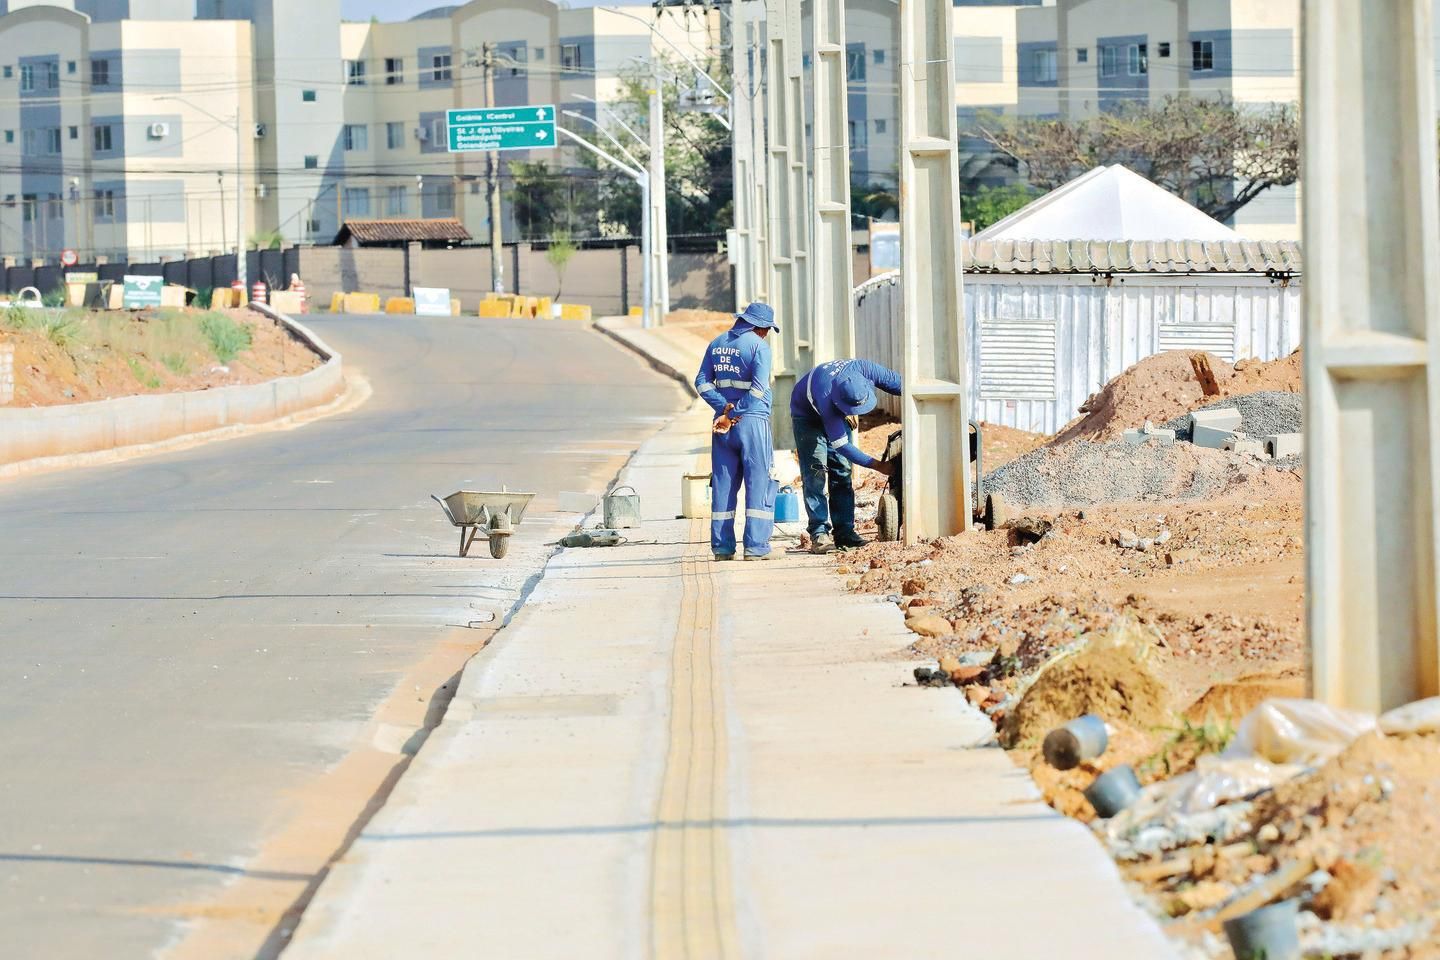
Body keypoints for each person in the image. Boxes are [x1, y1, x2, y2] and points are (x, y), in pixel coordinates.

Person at [694, 302, 779, 561]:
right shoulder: (759, 346)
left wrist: (724, 410)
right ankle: (756, 547)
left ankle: (722, 548)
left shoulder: (716, 343)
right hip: (751, 422)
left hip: (723, 426)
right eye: (766, 330)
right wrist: (735, 412)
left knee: (723, 484)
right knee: (759, 483)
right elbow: (758, 390)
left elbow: (701, 382)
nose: (766, 335)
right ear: (759, 326)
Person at [790, 358, 902, 553]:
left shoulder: (866, 368)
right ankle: (819, 533)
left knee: (842, 470)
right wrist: (878, 465)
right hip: (807, 417)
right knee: (816, 473)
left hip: (834, 407)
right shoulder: (825, 397)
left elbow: (902, 384)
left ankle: (845, 533)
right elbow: (842, 445)